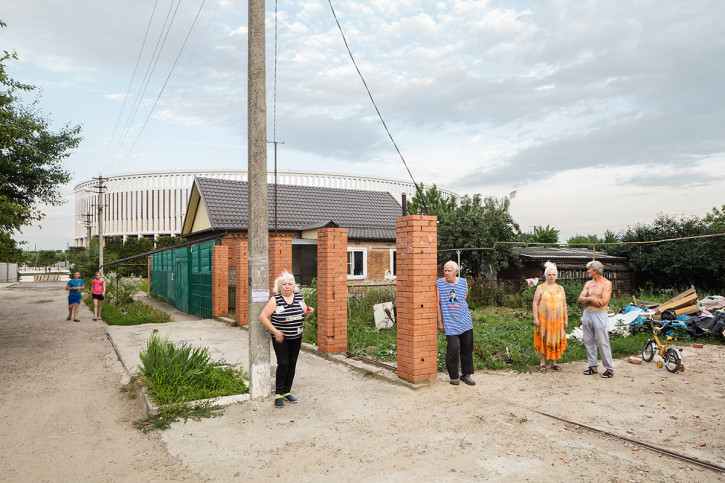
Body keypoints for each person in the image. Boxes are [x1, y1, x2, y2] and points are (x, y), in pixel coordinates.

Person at [260, 271, 314, 408]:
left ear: (294, 286)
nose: (287, 286)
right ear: (280, 286)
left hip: (296, 336)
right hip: (281, 338)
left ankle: (286, 392)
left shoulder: (299, 298)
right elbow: (263, 317)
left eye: (290, 284)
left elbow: (303, 318)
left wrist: (307, 313)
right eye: (284, 284)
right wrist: (276, 332)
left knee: (292, 364)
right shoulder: (275, 300)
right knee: (283, 363)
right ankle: (278, 394)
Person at [436, 261, 475, 386]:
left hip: (465, 321)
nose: (446, 273)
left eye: (449, 271)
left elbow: (464, 298)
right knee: (453, 348)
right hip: (449, 322)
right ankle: (454, 376)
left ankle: (466, 374)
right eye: (445, 270)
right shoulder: (439, 284)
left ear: (456, 272)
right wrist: (440, 322)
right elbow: (437, 303)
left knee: (467, 348)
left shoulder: (463, 282)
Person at [578, 260, 614, 378]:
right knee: (588, 341)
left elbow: (603, 302)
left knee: (603, 342)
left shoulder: (606, 284)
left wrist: (587, 299)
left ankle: (609, 368)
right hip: (587, 314)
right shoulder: (588, 284)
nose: (587, 271)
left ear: (596, 270)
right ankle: (592, 366)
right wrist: (593, 299)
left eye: (589, 269)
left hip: (600, 315)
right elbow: (580, 299)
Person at [532, 261, 568, 371]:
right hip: (544, 320)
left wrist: (566, 319)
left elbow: (564, 304)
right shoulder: (541, 288)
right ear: (545, 276)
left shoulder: (560, 288)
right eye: (549, 275)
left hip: (557, 320)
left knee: (555, 340)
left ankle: (553, 363)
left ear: (556, 276)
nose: (551, 277)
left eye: (553, 275)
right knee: (544, 338)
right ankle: (542, 362)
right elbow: (535, 303)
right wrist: (535, 318)